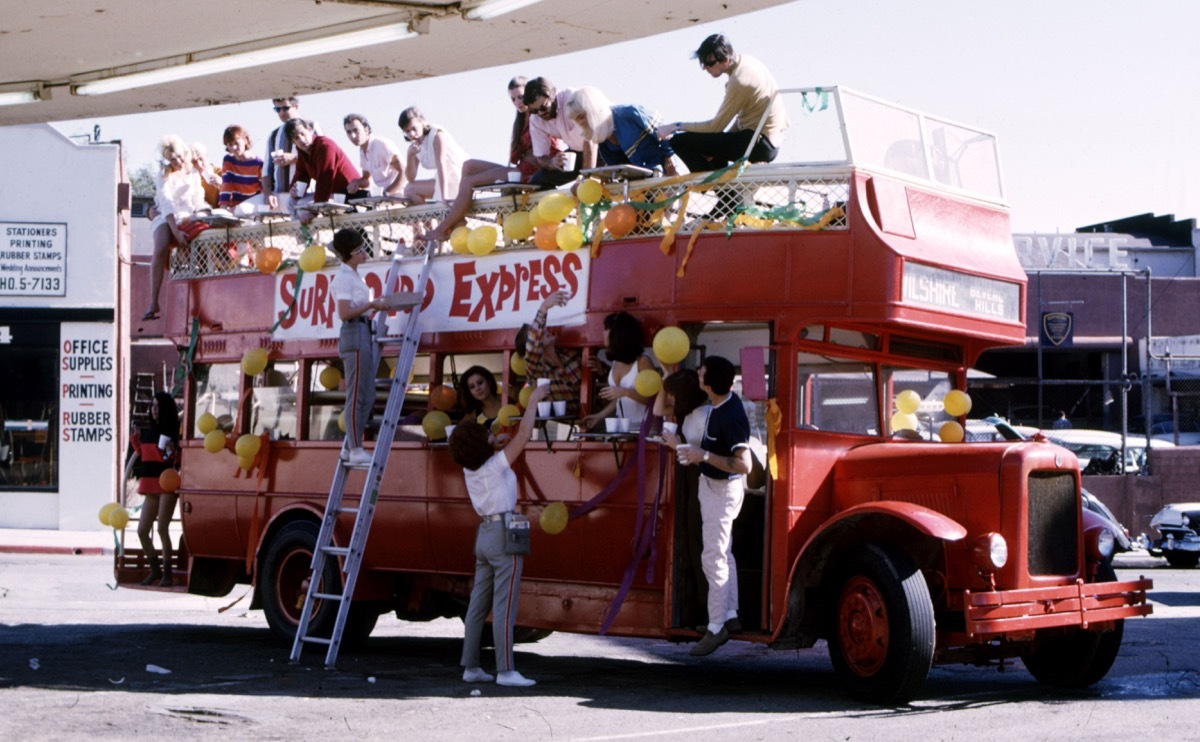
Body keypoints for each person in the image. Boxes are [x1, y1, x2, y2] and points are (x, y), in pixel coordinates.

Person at [451, 382, 549, 688]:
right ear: (483, 445)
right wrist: (532, 401)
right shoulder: (494, 466)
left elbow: (497, 446)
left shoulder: (472, 469)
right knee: (505, 604)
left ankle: (471, 666)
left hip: (484, 533)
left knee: (478, 605)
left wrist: (495, 442)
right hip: (505, 533)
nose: (492, 436)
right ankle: (506, 670)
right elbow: (524, 436)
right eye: (488, 436)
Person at [674, 355, 751, 656]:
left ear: (710, 383)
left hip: (721, 489)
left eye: (701, 372)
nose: (697, 374)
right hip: (718, 487)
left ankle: (716, 627)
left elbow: (743, 464)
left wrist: (703, 456)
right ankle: (730, 616)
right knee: (723, 553)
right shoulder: (724, 406)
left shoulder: (729, 414)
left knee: (713, 557)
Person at [425, 76, 561, 242]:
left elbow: (549, 149)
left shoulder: (538, 116)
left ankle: (442, 228)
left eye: (520, 97)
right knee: (469, 166)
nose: (518, 102)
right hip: (519, 169)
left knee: (469, 182)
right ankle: (459, 219)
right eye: (513, 99)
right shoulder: (521, 119)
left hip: (530, 172)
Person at [654, 34, 789, 178]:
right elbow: (741, 119)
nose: (705, 68)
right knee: (715, 145)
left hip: (759, 144)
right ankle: (725, 197)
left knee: (679, 141)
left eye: (709, 63)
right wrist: (711, 150)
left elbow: (715, 127)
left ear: (725, 59)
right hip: (767, 141)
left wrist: (676, 126)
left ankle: (709, 185)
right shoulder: (747, 62)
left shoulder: (739, 81)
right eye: (702, 63)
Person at [654, 368, 713, 629]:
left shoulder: (701, 417)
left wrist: (676, 445)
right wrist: (667, 376)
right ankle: (701, 608)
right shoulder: (693, 414)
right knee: (694, 543)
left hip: (701, 483)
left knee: (699, 544)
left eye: (673, 395)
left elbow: (702, 458)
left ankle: (706, 609)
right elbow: (659, 410)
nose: (669, 400)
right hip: (695, 483)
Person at [328, 228, 388, 466]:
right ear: (349, 254)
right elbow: (343, 313)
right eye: (360, 250)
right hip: (354, 331)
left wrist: (373, 307)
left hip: (362, 329)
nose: (364, 253)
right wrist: (371, 305)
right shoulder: (343, 278)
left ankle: (352, 446)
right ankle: (354, 447)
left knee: (367, 393)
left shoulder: (353, 275)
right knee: (357, 394)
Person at [144, 135, 208, 321]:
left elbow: (198, 198)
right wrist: (175, 231)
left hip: (188, 214)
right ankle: (153, 301)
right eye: (173, 159)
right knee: (161, 245)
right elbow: (166, 204)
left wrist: (202, 213)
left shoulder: (194, 173)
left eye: (180, 156)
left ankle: (199, 301)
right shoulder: (163, 175)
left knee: (200, 240)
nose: (178, 162)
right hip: (166, 216)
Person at [126, 392, 181, 587]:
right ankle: (156, 570)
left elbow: (171, 458)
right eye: (152, 405)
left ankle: (167, 574)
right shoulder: (151, 430)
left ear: (165, 408)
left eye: (158, 406)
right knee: (142, 530)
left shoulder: (172, 430)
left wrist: (171, 452)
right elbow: (143, 454)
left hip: (165, 484)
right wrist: (135, 439)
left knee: (162, 529)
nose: (154, 409)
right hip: (151, 485)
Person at [565, 86, 677, 174]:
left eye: (581, 116)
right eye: (576, 119)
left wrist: (668, 157)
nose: (580, 123)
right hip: (641, 186)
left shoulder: (631, 113)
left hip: (666, 176)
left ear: (593, 109)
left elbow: (668, 131)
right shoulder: (602, 136)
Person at [284, 118, 368, 223]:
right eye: (296, 138)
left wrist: (314, 211)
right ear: (293, 142)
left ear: (309, 130)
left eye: (303, 134)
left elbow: (325, 178)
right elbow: (301, 175)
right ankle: (302, 234)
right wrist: (294, 190)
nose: (301, 139)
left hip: (347, 192)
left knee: (302, 207)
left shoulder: (325, 145)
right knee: (290, 201)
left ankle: (307, 236)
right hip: (330, 193)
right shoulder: (302, 152)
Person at [514, 289, 582, 417]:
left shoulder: (570, 354)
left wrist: (600, 370)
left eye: (541, 328)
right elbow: (532, 347)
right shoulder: (536, 370)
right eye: (537, 332)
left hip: (592, 416)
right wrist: (544, 307)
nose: (543, 330)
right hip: (565, 426)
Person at [582, 312, 656, 429]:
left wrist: (625, 392)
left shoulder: (643, 361)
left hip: (645, 430)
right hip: (623, 428)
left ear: (618, 334)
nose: (603, 333)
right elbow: (619, 398)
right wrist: (599, 416)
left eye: (606, 329)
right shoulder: (615, 362)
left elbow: (653, 400)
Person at [522, 77, 597, 188]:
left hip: (602, 146)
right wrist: (552, 163)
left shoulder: (571, 98)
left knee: (585, 186)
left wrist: (585, 179)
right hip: (579, 152)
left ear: (553, 95)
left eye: (543, 107)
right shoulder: (535, 120)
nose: (540, 113)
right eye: (533, 110)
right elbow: (541, 156)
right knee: (538, 181)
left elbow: (590, 139)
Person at [397, 106, 467, 204]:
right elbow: (410, 178)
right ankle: (429, 219)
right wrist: (410, 157)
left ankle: (441, 210)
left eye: (414, 128)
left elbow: (442, 165)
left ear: (422, 122)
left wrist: (444, 197)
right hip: (442, 180)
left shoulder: (436, 135)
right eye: (407, 131)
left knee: (410, 190)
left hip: (458, 177)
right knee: (409, 190)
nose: (412, 134)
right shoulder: (415, 146)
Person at [260, 95, 309, 213]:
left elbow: (321, 157)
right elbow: (267, 170)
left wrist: (293, 158)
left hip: (307, 195)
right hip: (279, 196)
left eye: (285, 108)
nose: (281, 113)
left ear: (296, 107)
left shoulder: (310, 126)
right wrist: (267, 194)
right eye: (277, 109)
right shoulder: (274, 135)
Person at [343, 113, 407, 197]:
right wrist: (357, 183)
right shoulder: (362, 151)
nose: (353, 136)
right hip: (382, 200)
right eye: (349, 132)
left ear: (366, 130)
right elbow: (367, 180)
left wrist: (387, 193)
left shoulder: (381, 145)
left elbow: (405, 172)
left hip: (400, 197)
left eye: (356, 130)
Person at [218, 125, 263, 210]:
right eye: (230, 144)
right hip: (236, 206)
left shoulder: (258, 163)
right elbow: (226, 185)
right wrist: (223, 208)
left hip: (254, 206)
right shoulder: (228, 160)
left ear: (245, 140)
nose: (234, 147)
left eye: (236, 143)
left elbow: (263, 190)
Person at [190, 142, 222, 208]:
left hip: (220, 214)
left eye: (201, 159)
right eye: (194, 161)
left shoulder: (221, 172)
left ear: (207, 156)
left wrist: (223, 186)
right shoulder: (190, 179)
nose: (199, 164)